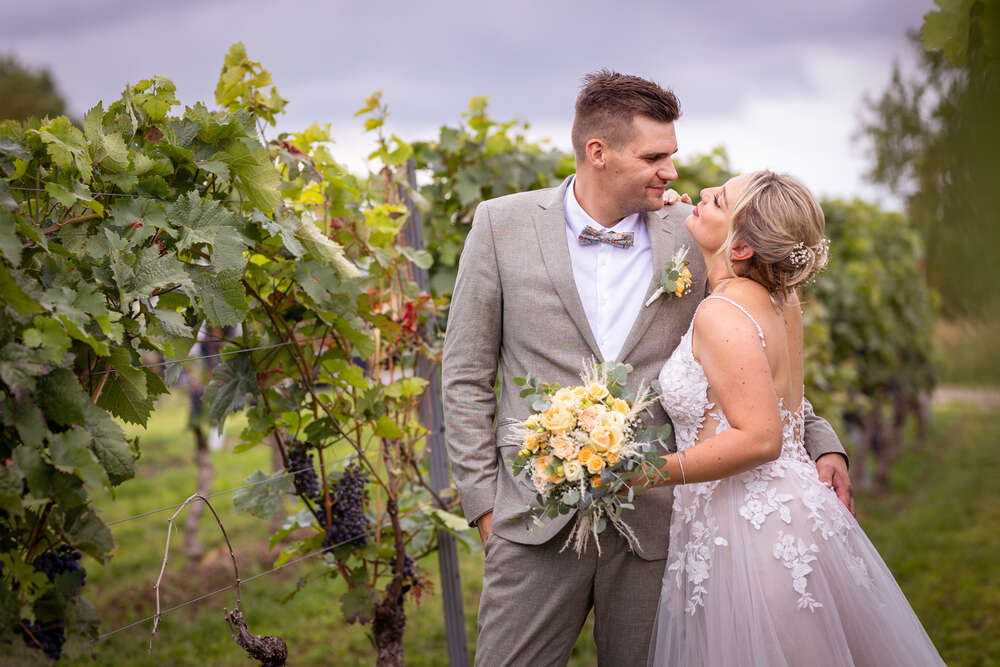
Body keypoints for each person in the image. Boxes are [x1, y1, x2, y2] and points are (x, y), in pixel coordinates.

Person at [441, 70, 851, 666]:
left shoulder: (695, 235)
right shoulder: (501, 226)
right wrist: (484, 506)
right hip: (531, 520)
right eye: (655, 156)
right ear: (598, 152)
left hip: (663, 526)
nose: (672, 172)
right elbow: (464, 374)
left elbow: (754, 354)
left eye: (673, 154)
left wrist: (819, 441)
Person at [644, 170, 945, 665]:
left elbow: (762, 438)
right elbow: (785, 410)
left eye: (717, 199)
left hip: (745, 531)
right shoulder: (782, 301)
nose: (700, 193)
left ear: (741, 249)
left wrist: (648, 474)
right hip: (790, 512)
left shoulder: (722, 312)